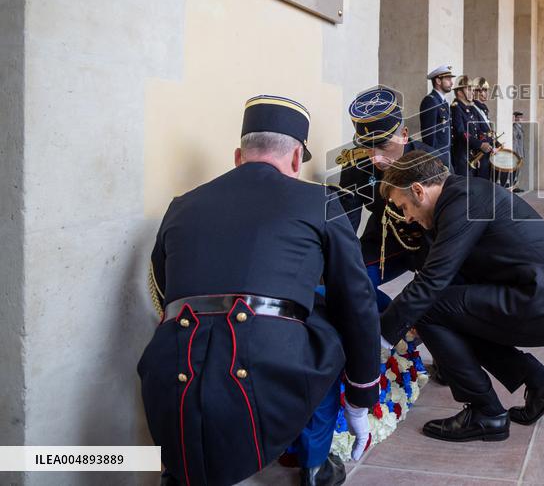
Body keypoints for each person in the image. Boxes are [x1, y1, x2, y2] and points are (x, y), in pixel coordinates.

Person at [139, 95, 379, 486]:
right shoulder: (321, 201)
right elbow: (358, 303)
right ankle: (315, 464)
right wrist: (361, 397)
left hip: (171, 373)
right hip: (266, 376)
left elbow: (164, 288)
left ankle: (179, 471)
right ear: (298, 159)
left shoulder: (181, 204)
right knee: (326, 323)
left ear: (239, 155)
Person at [378, 151, 544, 441]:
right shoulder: (463, 194)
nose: (407, 217)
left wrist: (382, 338)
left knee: (430, 307)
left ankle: (485, 411)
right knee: (449, 313)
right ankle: (541, 383)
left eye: (404, 206)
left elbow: (433, 281)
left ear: (419, 191)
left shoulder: (463, 200)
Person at [336, 86, 442, 310]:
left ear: (404, 135)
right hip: (384, 240)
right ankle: (388, 329)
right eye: (367, 148)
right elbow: (347, 223)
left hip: (431, 242)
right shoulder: (356, 166)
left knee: (436, 304)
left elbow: (449, 221)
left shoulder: (431, 162)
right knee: (346, 282)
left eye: (384, 146)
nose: (376, 159)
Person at [451, 75, 492, 178]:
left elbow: (477, 130)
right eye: (469, 89)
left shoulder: (469, 109)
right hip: (462, 155)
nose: (473, 92)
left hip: (472, 154)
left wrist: (484, 142)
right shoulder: (456, 108)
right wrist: (480, 145)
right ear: (460, 92)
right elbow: (461, 133)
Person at [419, 65, 455, 170]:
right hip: (437, 159)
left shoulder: (443, 102)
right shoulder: (430, 101)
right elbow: (429, 136)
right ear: (438, 81)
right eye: (448, 79)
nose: (451, 83)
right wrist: (434, 160)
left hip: (445, 156)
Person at [511, 110, 526, 192]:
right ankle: (513, 186)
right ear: (516, 118)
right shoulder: (514, 127)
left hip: (520, 152)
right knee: (515, 170)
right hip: (517, 152)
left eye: (521, 118)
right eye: (519, 117)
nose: (521, 119)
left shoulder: (519, 127)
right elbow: (515, 142)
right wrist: (516, 153)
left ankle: (516, 186)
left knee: (518, 171)